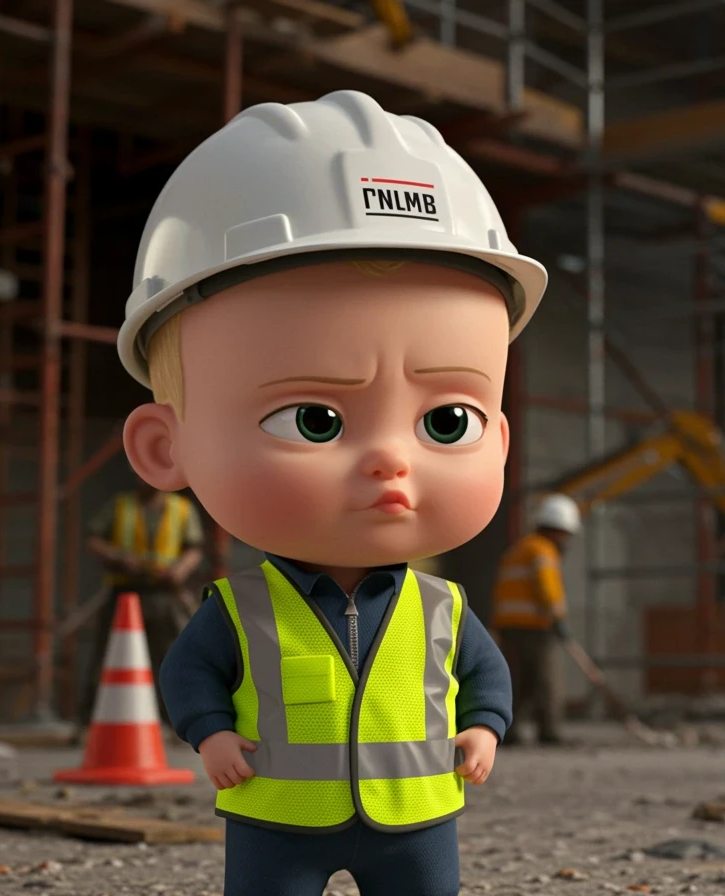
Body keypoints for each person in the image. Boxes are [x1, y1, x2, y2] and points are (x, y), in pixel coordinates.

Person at [115, 91, 546, 896]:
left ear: (502, 439)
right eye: (313, 419)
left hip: (417, 822)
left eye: (449, 421)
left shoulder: (443, 610)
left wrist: (484, 729)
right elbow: (189, 677)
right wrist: (209, 737)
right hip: (275, 821)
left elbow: (487, 678)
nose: (390, 460)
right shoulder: (238, 608)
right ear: (164, 447)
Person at [80, 476, 204, 729]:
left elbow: (193, 548)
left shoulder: (181, 509)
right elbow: (93, 540)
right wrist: (120, 557)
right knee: (109, 657)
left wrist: (179, 570)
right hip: (124, 593)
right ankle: (91, 723)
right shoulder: (120, 506)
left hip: (164, 594)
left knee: (173, 658)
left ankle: (179, 722)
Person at [491, 493, 581, 746]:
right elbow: (547, 587)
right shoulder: (543, 551)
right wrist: (558, 617)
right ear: (558, 531)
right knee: (546, 681)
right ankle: (549, 731)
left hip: (509, 626)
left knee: (518, 681)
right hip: (535, 627)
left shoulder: (519, 548)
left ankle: (509, 731)